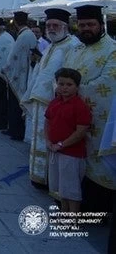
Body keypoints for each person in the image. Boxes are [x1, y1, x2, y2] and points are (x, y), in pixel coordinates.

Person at [64, 4, 116, 232]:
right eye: (82, 25)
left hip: (100, 121)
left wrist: (71, 93)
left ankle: (97, 213)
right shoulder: (76, 49)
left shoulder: (112, 50)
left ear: (101, 25)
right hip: (73, 118)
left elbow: (108, 83)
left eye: (90, 25)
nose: (86, 29)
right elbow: (63, 75)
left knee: (98, 167)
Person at [22, 8, 79, 187]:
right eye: (49, 25)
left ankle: (49, 178)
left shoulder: (72, 45)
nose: (51, 28)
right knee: (39, 139)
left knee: (51, 138)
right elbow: (40, 72)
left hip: (55, 102)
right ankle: (37, 175)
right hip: (40, 101)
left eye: (55, 25)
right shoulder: (51, 45)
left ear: (65, 26)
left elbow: (70, 76)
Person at [44, 67, 91, 213]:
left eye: (69, 85)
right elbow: (47, 122)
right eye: (61, 84)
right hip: (55, 150)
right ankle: (64, 214)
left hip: (72, 153)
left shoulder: (80, 106)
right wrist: (48, 142)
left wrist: (62, 144)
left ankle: (73, 218)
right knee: (60, 187)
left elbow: (81, 131)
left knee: (71, 188)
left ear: (77, 87)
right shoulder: (54, 102)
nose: (64, 88)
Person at [2, 11, 37, 141]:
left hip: (18, 74)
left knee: (15, 104)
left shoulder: (23, 36)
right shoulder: (30, 34)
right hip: (25, 72)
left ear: (15, 22)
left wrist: (5, 69)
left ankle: (15, 130)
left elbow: (13, 57)